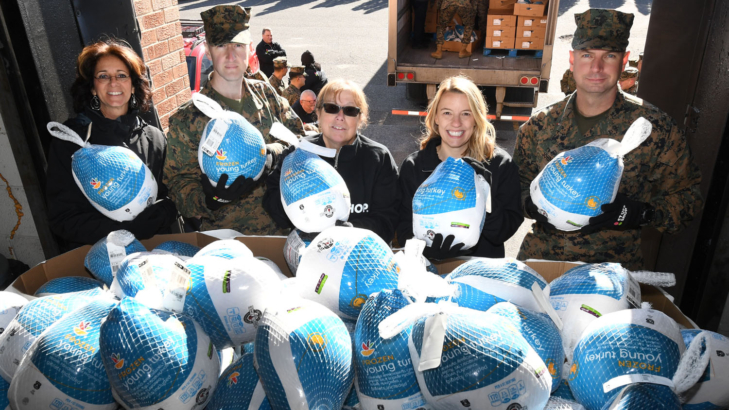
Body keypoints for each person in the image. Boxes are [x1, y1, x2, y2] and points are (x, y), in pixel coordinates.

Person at [513, 9, 703, 270]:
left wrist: (641, 213)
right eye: (587, 55)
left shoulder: (653, 129)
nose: (596, 67)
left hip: (611, 271)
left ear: (624, 61)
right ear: (572, 59)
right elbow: (517, 186)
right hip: (541, 262)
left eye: (609, 56)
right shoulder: (539, 126)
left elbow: (688, 199)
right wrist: (531, 205)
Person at [164, 5, 304, 234]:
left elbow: (299, 138)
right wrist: (210, 199)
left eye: (238, 45)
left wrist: (274, 153)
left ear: (249, 49)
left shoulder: (267, 95)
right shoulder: (188, 118)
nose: (231, 56)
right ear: (208, 52)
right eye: (221, 45)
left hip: (281, 232)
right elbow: (178, 187)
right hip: (226, 244)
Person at [46, 39, 178, 251]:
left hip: (153, 253)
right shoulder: (71, 141)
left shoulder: (153, 138)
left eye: (122, 75)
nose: (113, 82)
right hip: (100, 259)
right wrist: (125, 230)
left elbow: (171, 196)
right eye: (103, 76)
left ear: (133, 86)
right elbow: (63, 218)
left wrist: (162, 214)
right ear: (92, 88)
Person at [397, 76, 523, 258]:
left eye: (466, 113)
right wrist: (425, 251)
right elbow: (403, 229)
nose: (456, 123)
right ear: (436, 117)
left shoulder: (499, 164)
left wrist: (485, 199)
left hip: (482, 274)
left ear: (476, 118)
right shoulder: (415, 166)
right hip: (429, 277)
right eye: (447, 113)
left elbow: (503, 232)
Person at [263, 79, 400, 243]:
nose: (340, 117)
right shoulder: (298, 154)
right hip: (308, 256)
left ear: (360, 118)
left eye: (350, 110)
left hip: (360, 257)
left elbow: (388, 220)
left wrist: (350, 232)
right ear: (318, 113)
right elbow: (275, 209)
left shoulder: (379, 158)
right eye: (331, 108)